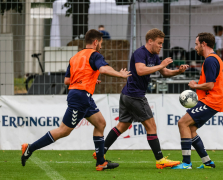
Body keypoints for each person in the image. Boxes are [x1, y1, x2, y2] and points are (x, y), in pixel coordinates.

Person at [21, 29, 131, 171]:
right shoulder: (95, 55)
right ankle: (29, 148)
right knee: (63, 131)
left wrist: (89, 79)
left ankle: (101, 162)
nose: (101, 47)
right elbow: (104, 69)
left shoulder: (75, 57)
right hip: (80, 97)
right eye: (101, 43)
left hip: (82, 96)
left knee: (101, 123)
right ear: (96, 42)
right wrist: (120, 75)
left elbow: (67, 80)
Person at [93, 28, 189, 169]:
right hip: (134, 95)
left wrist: (177, 71)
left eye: (162, 43)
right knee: (151, 126)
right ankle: (160, 160)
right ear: (150, 41)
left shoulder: (154, 56)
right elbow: (140, 70)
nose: (161, 46)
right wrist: (160, 65)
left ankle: (101, 152)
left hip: (128, 94)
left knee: (122, 126)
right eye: (159, 43)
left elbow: (164, 72)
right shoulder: (140, 53)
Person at [171, 32, 223, 170]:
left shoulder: (210, 60)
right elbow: (217, 83)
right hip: (213, 100)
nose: (195, 47)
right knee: (190, 128)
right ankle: (207, 162)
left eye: (196, 44)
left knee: (182, 122)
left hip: (211, 101)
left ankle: (186, 163)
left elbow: (210, 85)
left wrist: (195, 86)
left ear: (204, 44)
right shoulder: (215, 59)